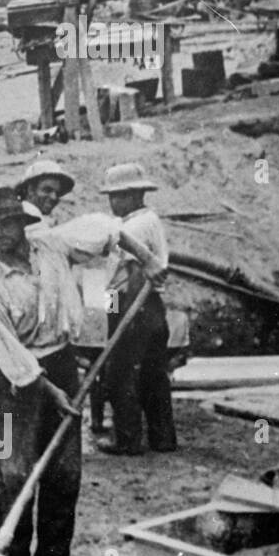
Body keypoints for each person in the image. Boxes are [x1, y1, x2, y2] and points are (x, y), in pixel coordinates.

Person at [0, 187, 167, 556]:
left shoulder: (53, 246)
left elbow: (108, 230)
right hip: (14, 376)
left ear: (22, 224)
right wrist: (50, 393)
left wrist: (148, 261)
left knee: (64, 469)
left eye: (7, 223)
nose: (1, 233)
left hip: (60, 360)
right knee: (14, 469)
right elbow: (9, 353)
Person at [97, 163, 175, 456]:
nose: (111, 202)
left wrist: (122, 319)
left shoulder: (135, 227)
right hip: (149, 305)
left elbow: (135, 274)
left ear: (132, 194)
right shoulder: (149, 219)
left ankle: (127, 439)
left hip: (134, 304)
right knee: (154, 374)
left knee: (118, 373)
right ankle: (162, 438)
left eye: (116, 196)